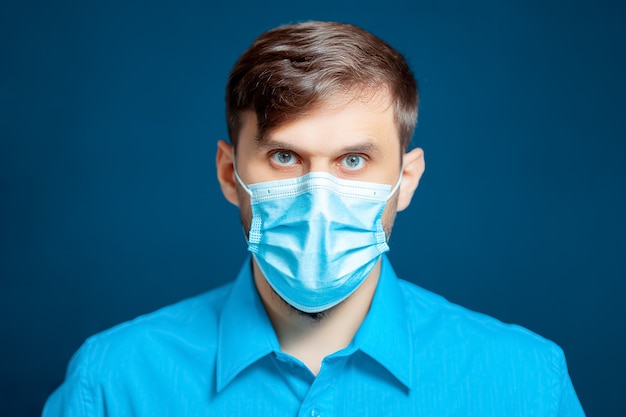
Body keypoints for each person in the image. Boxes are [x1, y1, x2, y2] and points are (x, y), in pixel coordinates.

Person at [43, 21, 585, 416]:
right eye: (285, 157)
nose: (319, 199)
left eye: (353, 161)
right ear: (231, 173)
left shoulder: (526, 382)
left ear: (407, 180)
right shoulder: (114, 382)